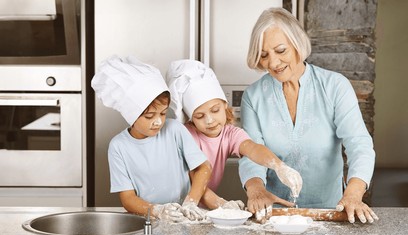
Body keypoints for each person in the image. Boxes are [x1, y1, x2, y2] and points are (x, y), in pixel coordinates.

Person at [239, 7, 378, 223]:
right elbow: (250, 152)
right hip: (276, 217)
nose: (273, 63)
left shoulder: (335, 86)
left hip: (329, 213)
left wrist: (353, 194)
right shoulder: (253, 96)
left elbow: (359, 144)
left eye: (281, 50)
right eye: (264, 55)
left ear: (297, 44)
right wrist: (256, 189)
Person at [166, 59, 302, 213]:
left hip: (198, 208)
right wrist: (222, 205)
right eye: (199, 116)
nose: (209, 120)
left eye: (215, 110)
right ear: (191, 118)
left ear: (225, 105)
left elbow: (253, 148)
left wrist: (278, 166)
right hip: (176, 206)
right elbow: (194, 182)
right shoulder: (186, 136)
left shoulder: (230, 134)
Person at [91, 55, 212, 222]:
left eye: (163, 113)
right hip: (146, 222)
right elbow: (127, 198)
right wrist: (157, 211)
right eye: (149, 116)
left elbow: (202, 168)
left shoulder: (175, 130)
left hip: (184, 221)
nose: (158, 121)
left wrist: (191, 202)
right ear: (130, 114)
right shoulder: (118, 147)